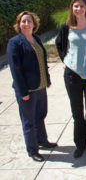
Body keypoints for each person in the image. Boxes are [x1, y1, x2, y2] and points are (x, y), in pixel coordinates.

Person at [55, 0, 86, 159]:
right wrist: (65, 60)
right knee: (77, 113)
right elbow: (59, 44)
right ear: (72, 8)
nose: (79, 9)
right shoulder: (66, 26)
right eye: (75, 6)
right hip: (72, 76)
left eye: (81, 6)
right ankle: (80, 145)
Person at [7, 11, 57, 162]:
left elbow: (42, 60)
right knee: (28, 120)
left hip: (40, 86)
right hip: (27, 89)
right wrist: (23, 91)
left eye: (29, 21)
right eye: (23, 21)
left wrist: (47, 80)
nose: (26, 24)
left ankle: (42, 140)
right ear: (19, 24)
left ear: (34, 24)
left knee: (40, 116)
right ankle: (32, 150)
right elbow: (15, 69)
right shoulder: (15, 42)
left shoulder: (35, 38)